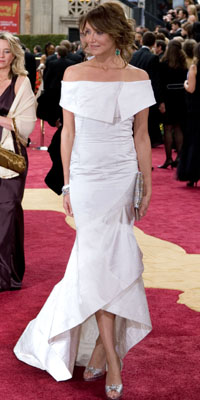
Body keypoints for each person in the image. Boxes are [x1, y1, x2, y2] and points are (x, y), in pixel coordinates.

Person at [14, 3, 155, 399]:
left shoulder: (139, 77)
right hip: (89, 178)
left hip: (122, 175)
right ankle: (112, 357)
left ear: (116, 34)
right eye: (84, 33)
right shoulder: (74, 73)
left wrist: (146, 184)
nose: (88, 39)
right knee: (96, 261)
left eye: (96, 32)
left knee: (112, 258)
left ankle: (100, 346)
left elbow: (142, 136)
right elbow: (68, 134)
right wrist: (70, 185)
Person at [0, 32, 36, 291]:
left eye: (6, 51)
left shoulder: (21, 82)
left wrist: (3, 121)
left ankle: (6, 273)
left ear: (14, 54)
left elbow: (27, 124)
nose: (0, 56)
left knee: (9, 210)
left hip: (10, 155)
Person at [158, 40, 188, 169]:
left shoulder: (163, 64)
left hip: (168, 97)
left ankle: (168, 158)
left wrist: (161, 101)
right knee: (178, 128)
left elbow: (160, 84)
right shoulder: (183, 64)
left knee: (168, 128)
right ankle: (180, 158)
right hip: (181, 98)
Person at [177, 42, 200, 186]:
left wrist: (185, 83)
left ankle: (192, 174)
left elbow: (191, 89)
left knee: (194, 141)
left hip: (196, 110)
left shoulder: (194, 67)